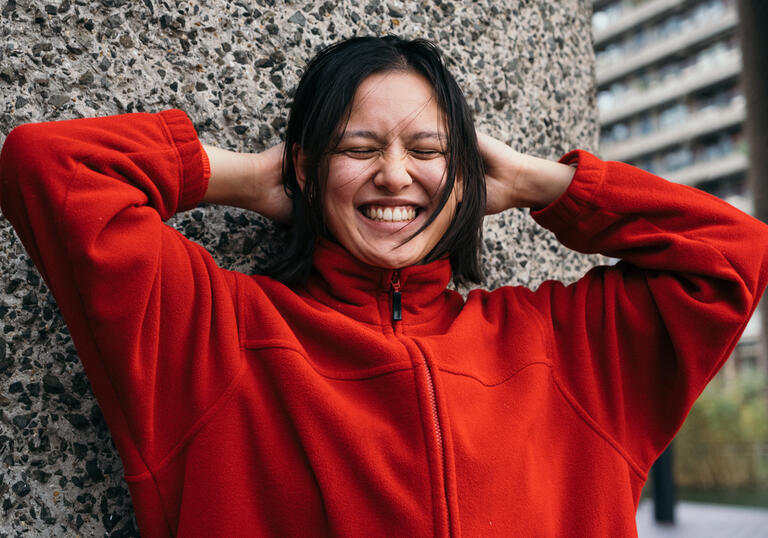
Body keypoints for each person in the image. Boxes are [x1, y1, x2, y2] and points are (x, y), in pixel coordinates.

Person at [1, 35, 766, 537]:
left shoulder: (563, 350)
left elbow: (732, 255)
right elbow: (48, 169)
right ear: (306, 167)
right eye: (357, 148)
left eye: (428, 149)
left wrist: (546, 184)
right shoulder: (215, 338)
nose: (395, 175)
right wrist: (247, 178)